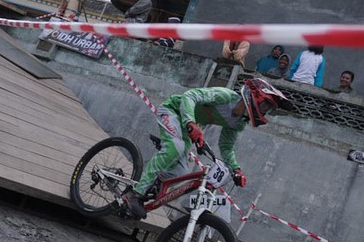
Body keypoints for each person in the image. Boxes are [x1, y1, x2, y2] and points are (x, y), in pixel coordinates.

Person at [122, 78, 293, 220]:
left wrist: (236, 169)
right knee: (175, 146)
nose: (265, 111)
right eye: (265, 106)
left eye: (268, 110)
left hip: (188, 128)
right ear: (253, 96)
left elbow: (226, 146)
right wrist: (190, 122)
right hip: (173, 111)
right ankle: (134, 194)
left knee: (179, 174)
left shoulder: (238, 122)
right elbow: (190, 96)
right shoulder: (225, 96)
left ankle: (148, 188)